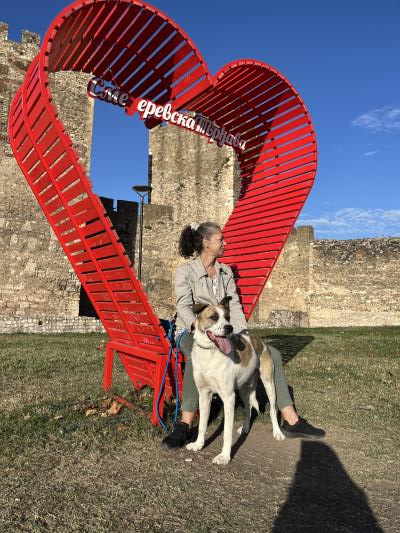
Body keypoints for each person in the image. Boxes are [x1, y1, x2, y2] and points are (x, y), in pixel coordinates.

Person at [161, 222, 325, 450]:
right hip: (192, 331)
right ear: (206, 243)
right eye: (221, 239)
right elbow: (183, 306)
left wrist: (242, 334)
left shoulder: (225, 272)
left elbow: (235, 306)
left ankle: (291, 420)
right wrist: (196, 326)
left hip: (224, 330)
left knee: (273, 355)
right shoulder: (186, 271)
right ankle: (185, 424)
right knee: (194, 355)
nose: (225, 243)